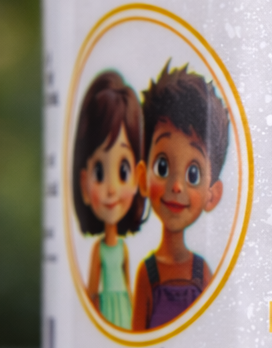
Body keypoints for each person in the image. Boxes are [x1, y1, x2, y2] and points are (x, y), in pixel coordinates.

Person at [132, 62, 231, 331]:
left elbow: (213, 334)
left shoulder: (202, 273)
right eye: (162, 167)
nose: (176, 186)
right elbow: (138, 336)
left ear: (212, 195)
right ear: (142, 178)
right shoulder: (147, 274)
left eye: (193, 174)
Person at [72, 71, 146, 329]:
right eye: (99, 173)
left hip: (123, 306)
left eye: (123, 171)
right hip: (105, 309)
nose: (112, 190)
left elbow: (128, 284)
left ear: (137, 177)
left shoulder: (123, 249)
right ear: (84, 183)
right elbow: (92, 290)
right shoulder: (99, 250)